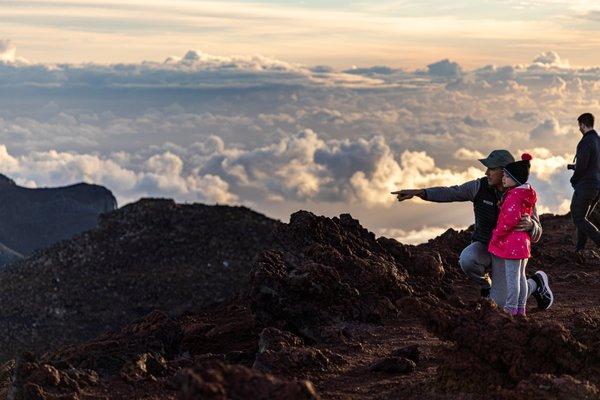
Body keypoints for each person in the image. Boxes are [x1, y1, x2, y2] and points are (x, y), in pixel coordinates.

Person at [392, 149, 553, 310]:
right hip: (485, 246)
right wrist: (421, 193)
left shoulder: (522, 194)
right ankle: (487, 286)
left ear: (504, 171)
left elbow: (537, 232)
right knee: (467, 259)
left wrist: (531, 226)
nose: (486, 172)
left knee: (501, 304)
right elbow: (451, 192)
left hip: (506, 253)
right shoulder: (479, 187)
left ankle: (535, 284)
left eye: (491, 169)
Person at [488, 154, 536, 316]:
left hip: (513, 243)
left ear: (515, 178)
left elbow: (508, 221)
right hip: (523, 242)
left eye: (507, 176)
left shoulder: (513, 196)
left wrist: (497, 235)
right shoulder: (524, 194)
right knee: (521, 277)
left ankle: (510, 309)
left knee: (512, 279)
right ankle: (520, 308)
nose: (503, 178)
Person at [570, 113, 600, 253]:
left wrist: (573, 180)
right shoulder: (598, 141)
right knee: (583, 217)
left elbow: (582, 165)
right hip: (597, 186)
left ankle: (585, 246)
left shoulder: (586, 141)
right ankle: (580, 249)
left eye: (579, 126)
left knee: (578, 217)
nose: (579, 129)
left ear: (582, 124)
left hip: (586, 185)